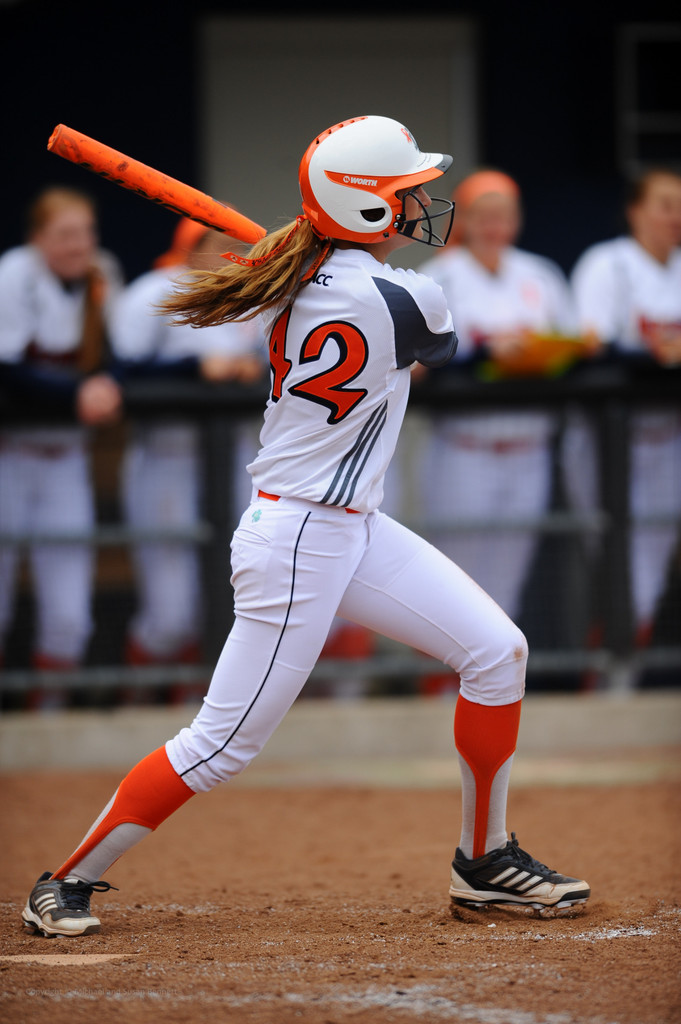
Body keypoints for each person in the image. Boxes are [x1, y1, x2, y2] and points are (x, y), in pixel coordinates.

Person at [20, 117, 590, 938]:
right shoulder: (409, 297)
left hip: (351, 526)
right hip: (297, 541)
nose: (419, 205)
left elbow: (341, 290)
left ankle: (483, 860)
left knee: (497, 653)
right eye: (402, 193)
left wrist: (315, 260)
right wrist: (323, 264)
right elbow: (439, 346)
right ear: (361, 208)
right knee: (220, 745)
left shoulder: (294, 283)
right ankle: (64, 881)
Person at [416, 170, 578, 693]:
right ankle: (437, 696)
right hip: (464, 447)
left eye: (504, 215)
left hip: (529, 446)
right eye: (483, 215)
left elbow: (576, 345)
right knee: (451, 583)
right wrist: (486, 351)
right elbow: (417, 360)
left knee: (506, 585)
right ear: (464, 219)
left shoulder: (541, 275)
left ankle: (488, 694)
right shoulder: (438, 276)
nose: (494, 226)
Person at [111, 218, 265, 698]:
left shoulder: (252, 294)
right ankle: (137, 706)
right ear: (192, 243)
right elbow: (122, 369)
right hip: (167, 457)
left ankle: (198, 709)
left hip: (236, 456)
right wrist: (194, 368)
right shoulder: (153, 290)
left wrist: (251, 370)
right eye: (218, 241)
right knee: (170, 614)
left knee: (234, 600)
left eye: (236, 243)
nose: (229, 251)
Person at [0, 187, 123, 706]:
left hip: (67, 458)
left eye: (86, 232)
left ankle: (49, 721)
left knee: (70, 616)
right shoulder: (16, 272)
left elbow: (117, 355)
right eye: (65, 234)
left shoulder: (102, 273)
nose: (79, 245)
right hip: (9, 455)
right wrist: (76, 394)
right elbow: (7, 367)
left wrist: (106, 384)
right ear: (38, 238)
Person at [564, 167, 681, 657]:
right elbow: (592, 345)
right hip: (607, 442)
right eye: (665, 205)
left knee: (648, 575)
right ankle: (610, 675)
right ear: (635, 211)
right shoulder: (606, 263)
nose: (676, 217)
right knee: (618, 567)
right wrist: (655, 354)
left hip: (667, 438)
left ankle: (619, 678)